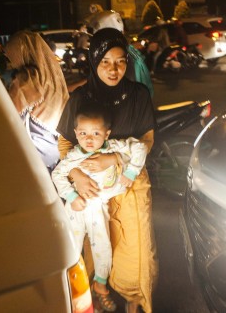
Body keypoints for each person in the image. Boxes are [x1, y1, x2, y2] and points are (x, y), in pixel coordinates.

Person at [57, 27, 157, 313]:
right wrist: (77, 176)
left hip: (129, 181)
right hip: (89, 183)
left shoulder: (137, 95)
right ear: (94, 61)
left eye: (120, 61)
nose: (114, 70)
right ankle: (93, 292)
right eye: (105, 62)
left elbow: (147, 140)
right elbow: (65, 143)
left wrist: (113, 159)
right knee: (91, 243)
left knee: (135, 245)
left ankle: (135, 299)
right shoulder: (80, 98)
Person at [51, 103, 148, 312]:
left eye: (96, 133)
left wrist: (130, 172)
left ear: (107, 134)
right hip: (75, 210)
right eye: (83, 133)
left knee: (103, 249)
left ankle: (100, 285)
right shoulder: (74, 156)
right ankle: (72, 292)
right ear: (76, 134)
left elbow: (140, 148)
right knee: (72, 249)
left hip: (98, 209)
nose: (89, 138)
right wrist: (71, 195)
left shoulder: (114, 147)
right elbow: (57, 174)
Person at [4, 30, 69, 172]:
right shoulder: (51, 73)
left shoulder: (27, 76)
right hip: (55, 143)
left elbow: (9, 112)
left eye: (11, 55)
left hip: (37, 146)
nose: (10, 60)